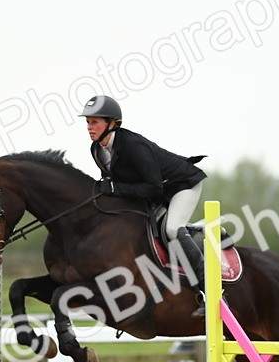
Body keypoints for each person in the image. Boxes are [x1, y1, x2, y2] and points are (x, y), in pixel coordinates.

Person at [80, 94, 208, 317]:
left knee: (171, 229)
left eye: (94, 122)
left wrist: (116, 189)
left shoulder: (133, 145)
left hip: (182, 185)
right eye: (88, 122)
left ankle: (209, 290)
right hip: (155, 192)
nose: (89, 127)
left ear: (112, 123)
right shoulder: (97, 149)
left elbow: (154, 187)